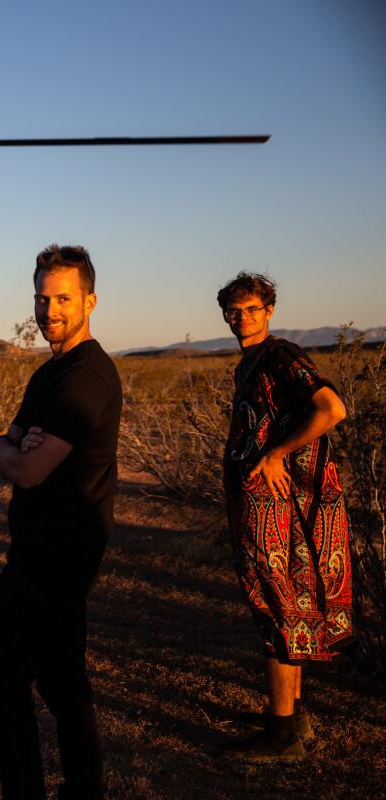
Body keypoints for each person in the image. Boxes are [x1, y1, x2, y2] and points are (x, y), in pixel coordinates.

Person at [0, 245, 120, 800]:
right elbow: (11, 439)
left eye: (63, 298)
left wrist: (11, 452)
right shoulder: (50, 372)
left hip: (56, 552)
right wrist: (6, 443)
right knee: (63, 683)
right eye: (42, 298)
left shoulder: (85, 377)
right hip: (50, 545)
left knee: (1, 688)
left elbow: (29, 467)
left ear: (90, 300)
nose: (50, 309)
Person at [215, 272, 353, 761]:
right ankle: (291, 718)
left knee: (277, 610)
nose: (241, 319)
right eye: (233, 311)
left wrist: (276, 454)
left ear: (268, 310)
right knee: (284, 610)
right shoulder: (252, 362)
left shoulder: (281, 356)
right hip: (266, 506)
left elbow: (330, 408)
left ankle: (281, 738)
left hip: (279, 508)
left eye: (251, 309)